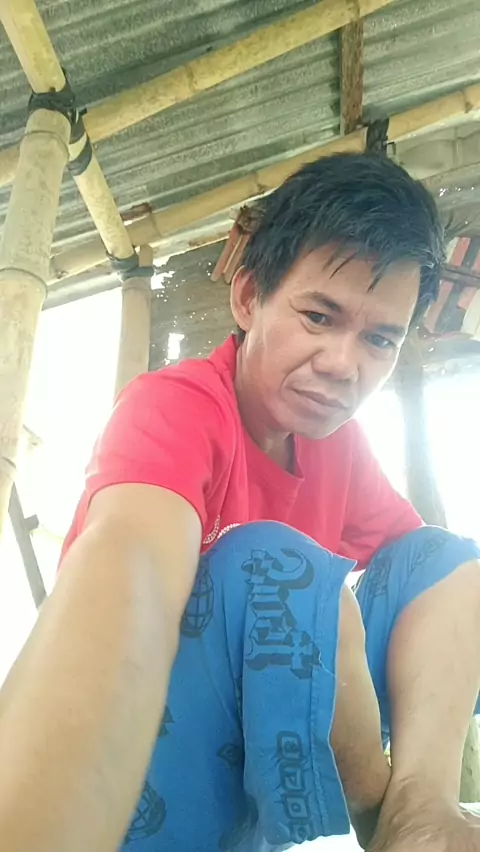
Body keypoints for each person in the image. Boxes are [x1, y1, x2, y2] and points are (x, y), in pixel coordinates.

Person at [0, 152, 479, 852]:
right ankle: (379, 805)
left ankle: (418, 809)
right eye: (319, 317)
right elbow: (128, 569)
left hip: (245, 791)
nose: (344, 365)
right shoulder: (176, 409)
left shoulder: (338, 447)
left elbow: (433, 588)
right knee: (273, 567)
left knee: (446, 561)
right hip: (144, 781)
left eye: (380, 339)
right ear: (250, 297)